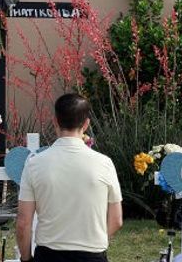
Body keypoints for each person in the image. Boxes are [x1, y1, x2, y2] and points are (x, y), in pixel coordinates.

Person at [17, 94, 122, 262]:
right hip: (92, 255)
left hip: (48, 255)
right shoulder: (105, 163)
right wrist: (95, 242)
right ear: (86, 123)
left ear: (55, 121)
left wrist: (26, 258)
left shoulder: (34, 164)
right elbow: (116, 220)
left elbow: (23, 222)